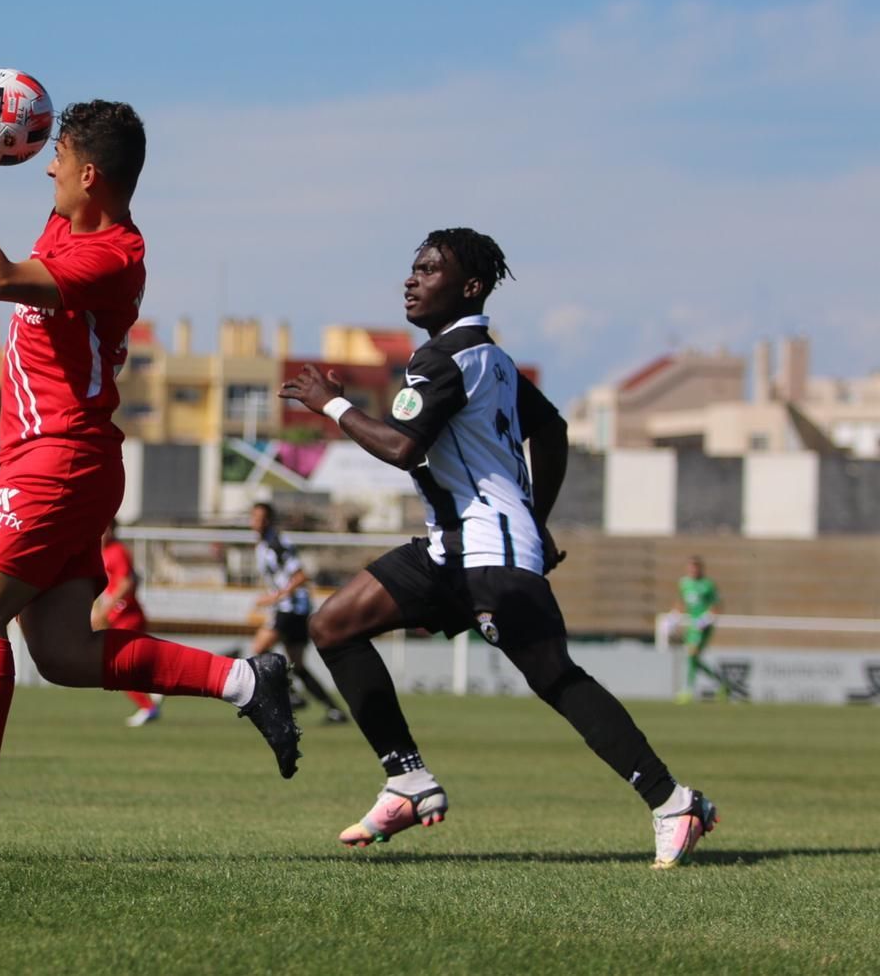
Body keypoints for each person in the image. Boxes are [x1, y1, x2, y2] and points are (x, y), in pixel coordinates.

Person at [0, 102, 300, 857]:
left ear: (90, 174)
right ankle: (245, 682)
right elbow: (35, 202)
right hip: (62, 462)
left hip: (59, 458)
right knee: (63, 655)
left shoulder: (114, 256)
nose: (47, 169)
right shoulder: (70, 226)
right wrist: (21, 126)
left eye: (57, 159)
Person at [280, 228, 717, 870]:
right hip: (453, 549)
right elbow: (553, 430)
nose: (412, 279)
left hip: (489, 552)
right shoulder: (492, 360)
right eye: (414, 267)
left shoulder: (447, 359)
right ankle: (406, 779)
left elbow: (404, 448)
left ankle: (674, 802)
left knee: (554, 677)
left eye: (430, 270)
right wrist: (536, 519)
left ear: (470, 287)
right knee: (334, 624)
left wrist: (331, 403)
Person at [248, 502, 349, 724]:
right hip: (293, 608)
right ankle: (334, 711)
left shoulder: (277, 543)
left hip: (291, 608)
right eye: (254, 517)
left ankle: (290, 695)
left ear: (269, 520)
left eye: (261, 517)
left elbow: (301, 576)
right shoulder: (264, 544)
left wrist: (276, 597)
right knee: (299, 665)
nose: (256, 522)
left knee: (259, 649)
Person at [95, 520, 164, 726]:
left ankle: (148, 705)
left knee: (119, 668)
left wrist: (105, 610)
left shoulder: (116, 551)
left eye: (105, 528)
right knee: (129, 665)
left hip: (128, 617)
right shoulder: (104, 553)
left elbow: (127, 582)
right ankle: (155, 688)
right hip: (121, 617)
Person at [671, 556, 736, 703]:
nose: (693, 570)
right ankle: (722, 683)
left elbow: (717, 606)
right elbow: (680, 603)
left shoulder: (708, 585)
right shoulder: (684, 583)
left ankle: (688, 690)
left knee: (692, 654)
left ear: (701, 569)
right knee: (693, 658)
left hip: (703, 625)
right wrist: (673, 618)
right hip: (692, 625)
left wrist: (705, 619)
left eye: (695, 567)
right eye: (690, 567)